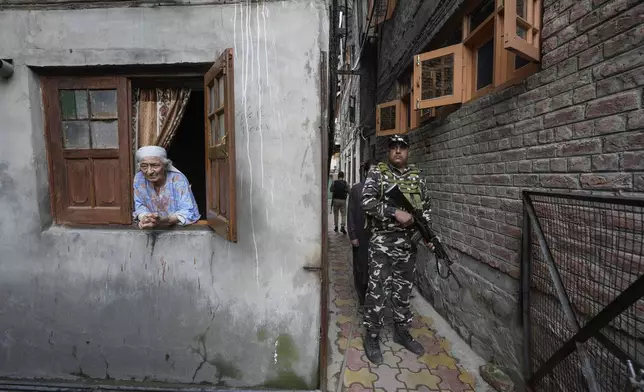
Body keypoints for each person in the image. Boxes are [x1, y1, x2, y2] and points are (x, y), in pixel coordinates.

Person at [360, 134, 433, 364]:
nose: (398, 151)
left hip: (408, 244)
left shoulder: (417, 177)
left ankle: (402, 332)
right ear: (388, 151)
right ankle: (372, 336)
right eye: (394, 147)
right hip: (382, 242)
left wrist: (426, 234)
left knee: (403, 291)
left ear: (408, 151)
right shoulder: (378, 174)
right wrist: (394, 212)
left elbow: (426, 208)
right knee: (377, 290)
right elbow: (366, 201)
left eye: (402, 147)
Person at [133, 146, 201, 229]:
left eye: (155, 165)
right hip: (150, 228)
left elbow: (188, 211)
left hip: (177, 229)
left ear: (165, 166)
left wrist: (162, 221)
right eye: (144, 166)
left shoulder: (177, 179)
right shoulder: (139, 178)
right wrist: (144, 218)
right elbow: (139, 205)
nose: (149, 171)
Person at [346, 160, 374, 306]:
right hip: (360, 236)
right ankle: (362, 298)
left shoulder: (380, 190)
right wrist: (352, 234)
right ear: (365, 172)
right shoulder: (356, 190)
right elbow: (350, 213)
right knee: (360, 266)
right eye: (371, 171)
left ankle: (372, 297)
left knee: (373, 268)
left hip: (375, 237)